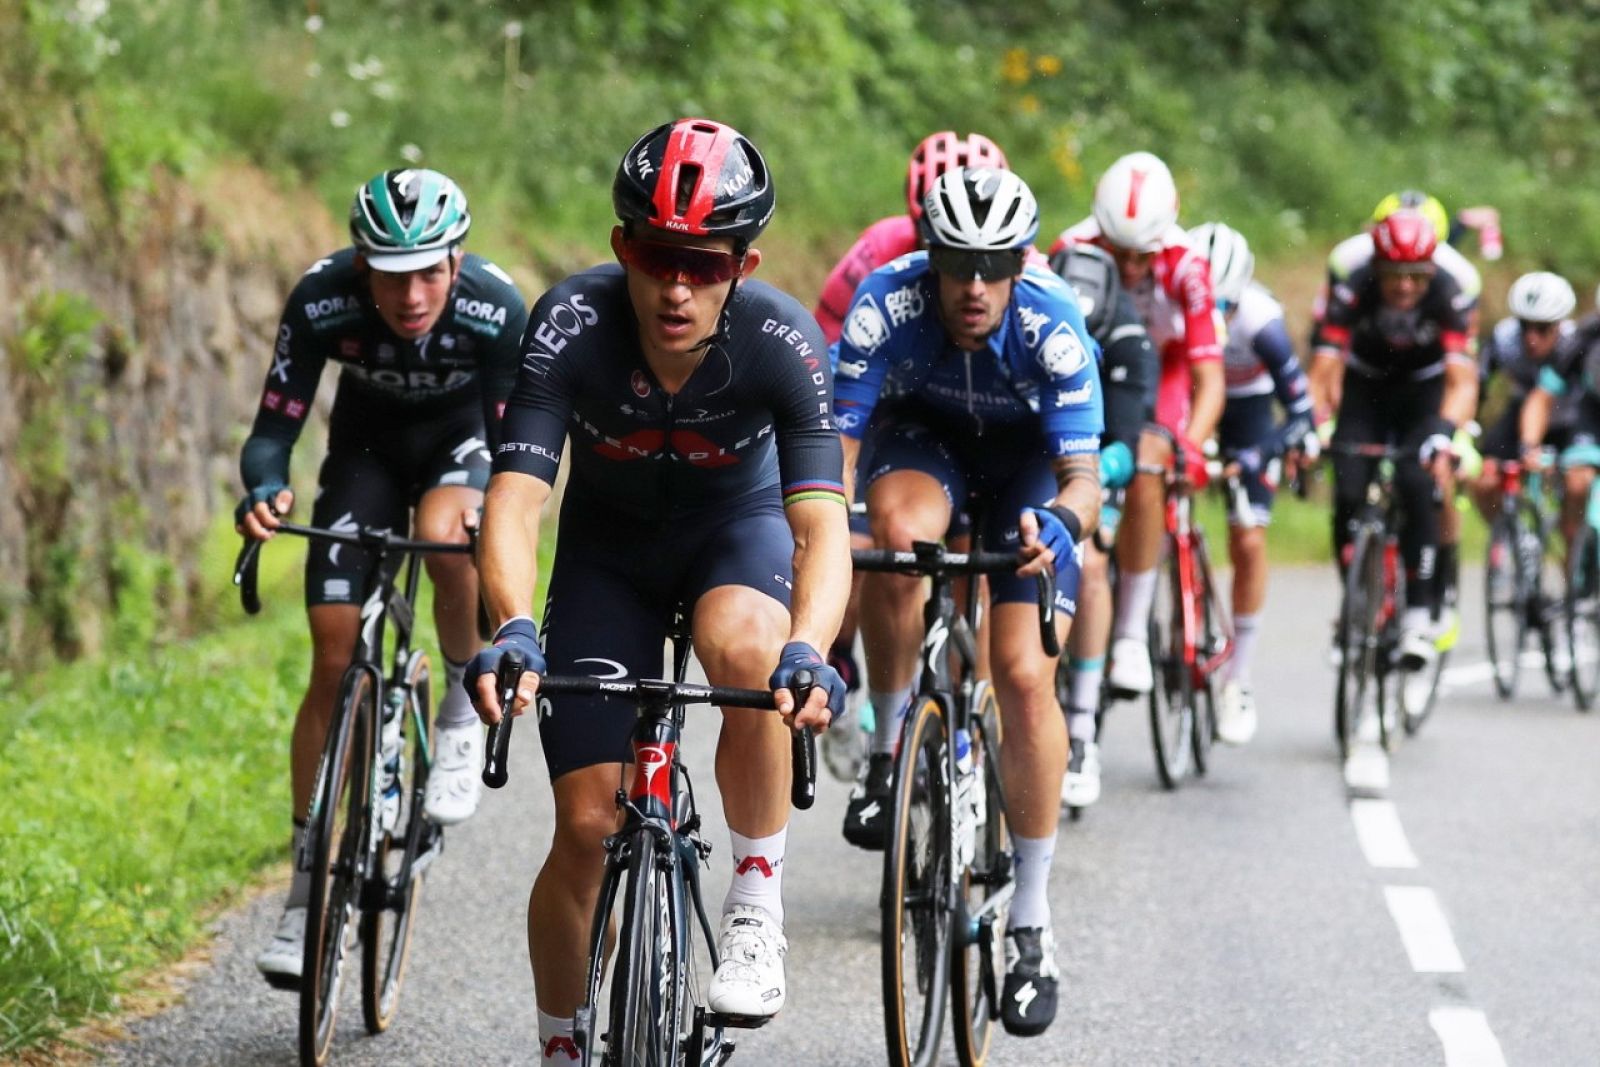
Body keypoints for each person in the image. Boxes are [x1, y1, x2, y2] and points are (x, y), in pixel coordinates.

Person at [464, 118, 850, 1060]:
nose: (677, 288)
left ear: (743, 265)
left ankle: (755, 898)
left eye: (705, 265)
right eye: (656, 257)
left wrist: (810, 647)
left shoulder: (783, 340)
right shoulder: (572, 322)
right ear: (620, 248)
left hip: (734, 536)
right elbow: (514, 500)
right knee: (585, 825)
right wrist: (513, 625)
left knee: (750, 648)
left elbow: (821, 527)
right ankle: (561, 1044)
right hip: (609, 557)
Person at [236, 168, 529, 986]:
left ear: (457, 261)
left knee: (446, 538)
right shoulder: (322, 299)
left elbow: (516, 452)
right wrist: (265, 489)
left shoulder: (495, 307)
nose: (412, 295)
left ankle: (461, 703)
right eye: (393, 275)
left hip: (460, 447)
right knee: (332, 654)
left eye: (430, 272)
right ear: (362, 265)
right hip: (363, 453)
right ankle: (305, 894)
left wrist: (495, 517)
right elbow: (272, 431)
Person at [834, 165, 1104, 1035]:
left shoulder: (1054, 324)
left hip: (1027, 468)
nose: (975, 286)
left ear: (1021, 263)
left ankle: (1030, 919)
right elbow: (839, 453)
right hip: (924, 445)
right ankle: (887, 749)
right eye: (958, 265)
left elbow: (1084, 478)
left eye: (994, 266)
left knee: (1022, 675)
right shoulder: (886, 303)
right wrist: (826, 527)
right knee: (894, 539)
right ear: (932, 258)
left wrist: (1060, 525)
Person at [813, 130, 1011, 783]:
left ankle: (968, 719)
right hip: (887, 409)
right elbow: (823, 354)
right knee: (860, 544)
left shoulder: (1012, 272)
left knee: (975, 565)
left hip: (979, 423)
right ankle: (845, 669)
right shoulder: (879, 253)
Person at [1049, 151, 1224, 698]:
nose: (1128, 269)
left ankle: (1128, 634)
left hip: (1165, 371)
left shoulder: (1188, 265)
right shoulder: (1070, 249)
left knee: (1149, 460)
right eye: (1116, 253)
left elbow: (1209, 377)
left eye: (1140, 257)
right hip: (1095, 368)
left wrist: (1190, 445)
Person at [1309, 209, 1478, 717]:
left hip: (1424, 395)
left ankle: (1420, 613)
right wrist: (1316, 423)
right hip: (1366, 389)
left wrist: (1445, 432)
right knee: (1347, 487)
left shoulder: (1448, 291)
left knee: (1416, 479)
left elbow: (1463, 381)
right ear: (1377, 268)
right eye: (1394, 276)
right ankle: (1355, 604)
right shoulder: (1353, 285)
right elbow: (1324, 366)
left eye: (1416, 277)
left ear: (1430, 272)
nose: (1405, 287)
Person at [1187, 222, 1316, 744]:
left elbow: (1302, 413)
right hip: (1191, 395)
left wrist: (1259, 453)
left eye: (1226, 308)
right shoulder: (1171, 311)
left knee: (1248, 538)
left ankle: (1238, 679)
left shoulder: (1263, 323)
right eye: (1206, 306)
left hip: (1249, 414)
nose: (1216, 318)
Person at [1047, 242, 1157, 807]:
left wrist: (1094, 494)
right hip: (1042, 452)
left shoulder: (1129, 338)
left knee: (1089, 564)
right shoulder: (1035, 316)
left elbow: (1125, 447)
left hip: (1098, 458)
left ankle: (1082, 728)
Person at [1470, 272, 1577, 523]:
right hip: (1519, 414)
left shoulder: (1574, 343)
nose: (1531, 337)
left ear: (1559, 324)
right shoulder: (1504, 338)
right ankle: (1508, 533)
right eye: (1524, 326)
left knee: (1576, 486)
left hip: (1568, 418)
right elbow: (1477, 385)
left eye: (1542, 328)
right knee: (1485, 481)